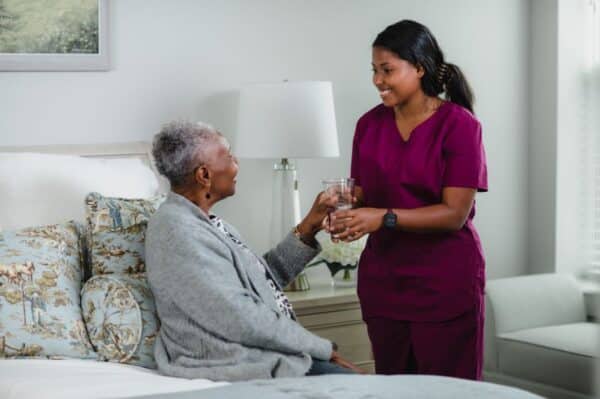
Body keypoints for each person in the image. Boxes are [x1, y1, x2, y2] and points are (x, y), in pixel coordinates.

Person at [328, 20, 488, 380]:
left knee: (448, 392)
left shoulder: (460, 126)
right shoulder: (368, 125)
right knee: (393, 388)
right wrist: (342, 206)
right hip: (384, 285)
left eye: (387, 70)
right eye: (374, 70)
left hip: (444, 284)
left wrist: (382, 217)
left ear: (419, 67)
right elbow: (363, 194)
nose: (377, 80)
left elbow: (454, 214)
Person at [145, 120, 362, 381]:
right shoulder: (177, 232)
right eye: (228, 156)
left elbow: (261, 282)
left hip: (268, 354)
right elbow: (240, 317)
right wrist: (322, 349)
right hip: (235, 362)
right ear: (204, 175)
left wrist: (309, 226)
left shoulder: (205, 222)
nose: (236, 164)